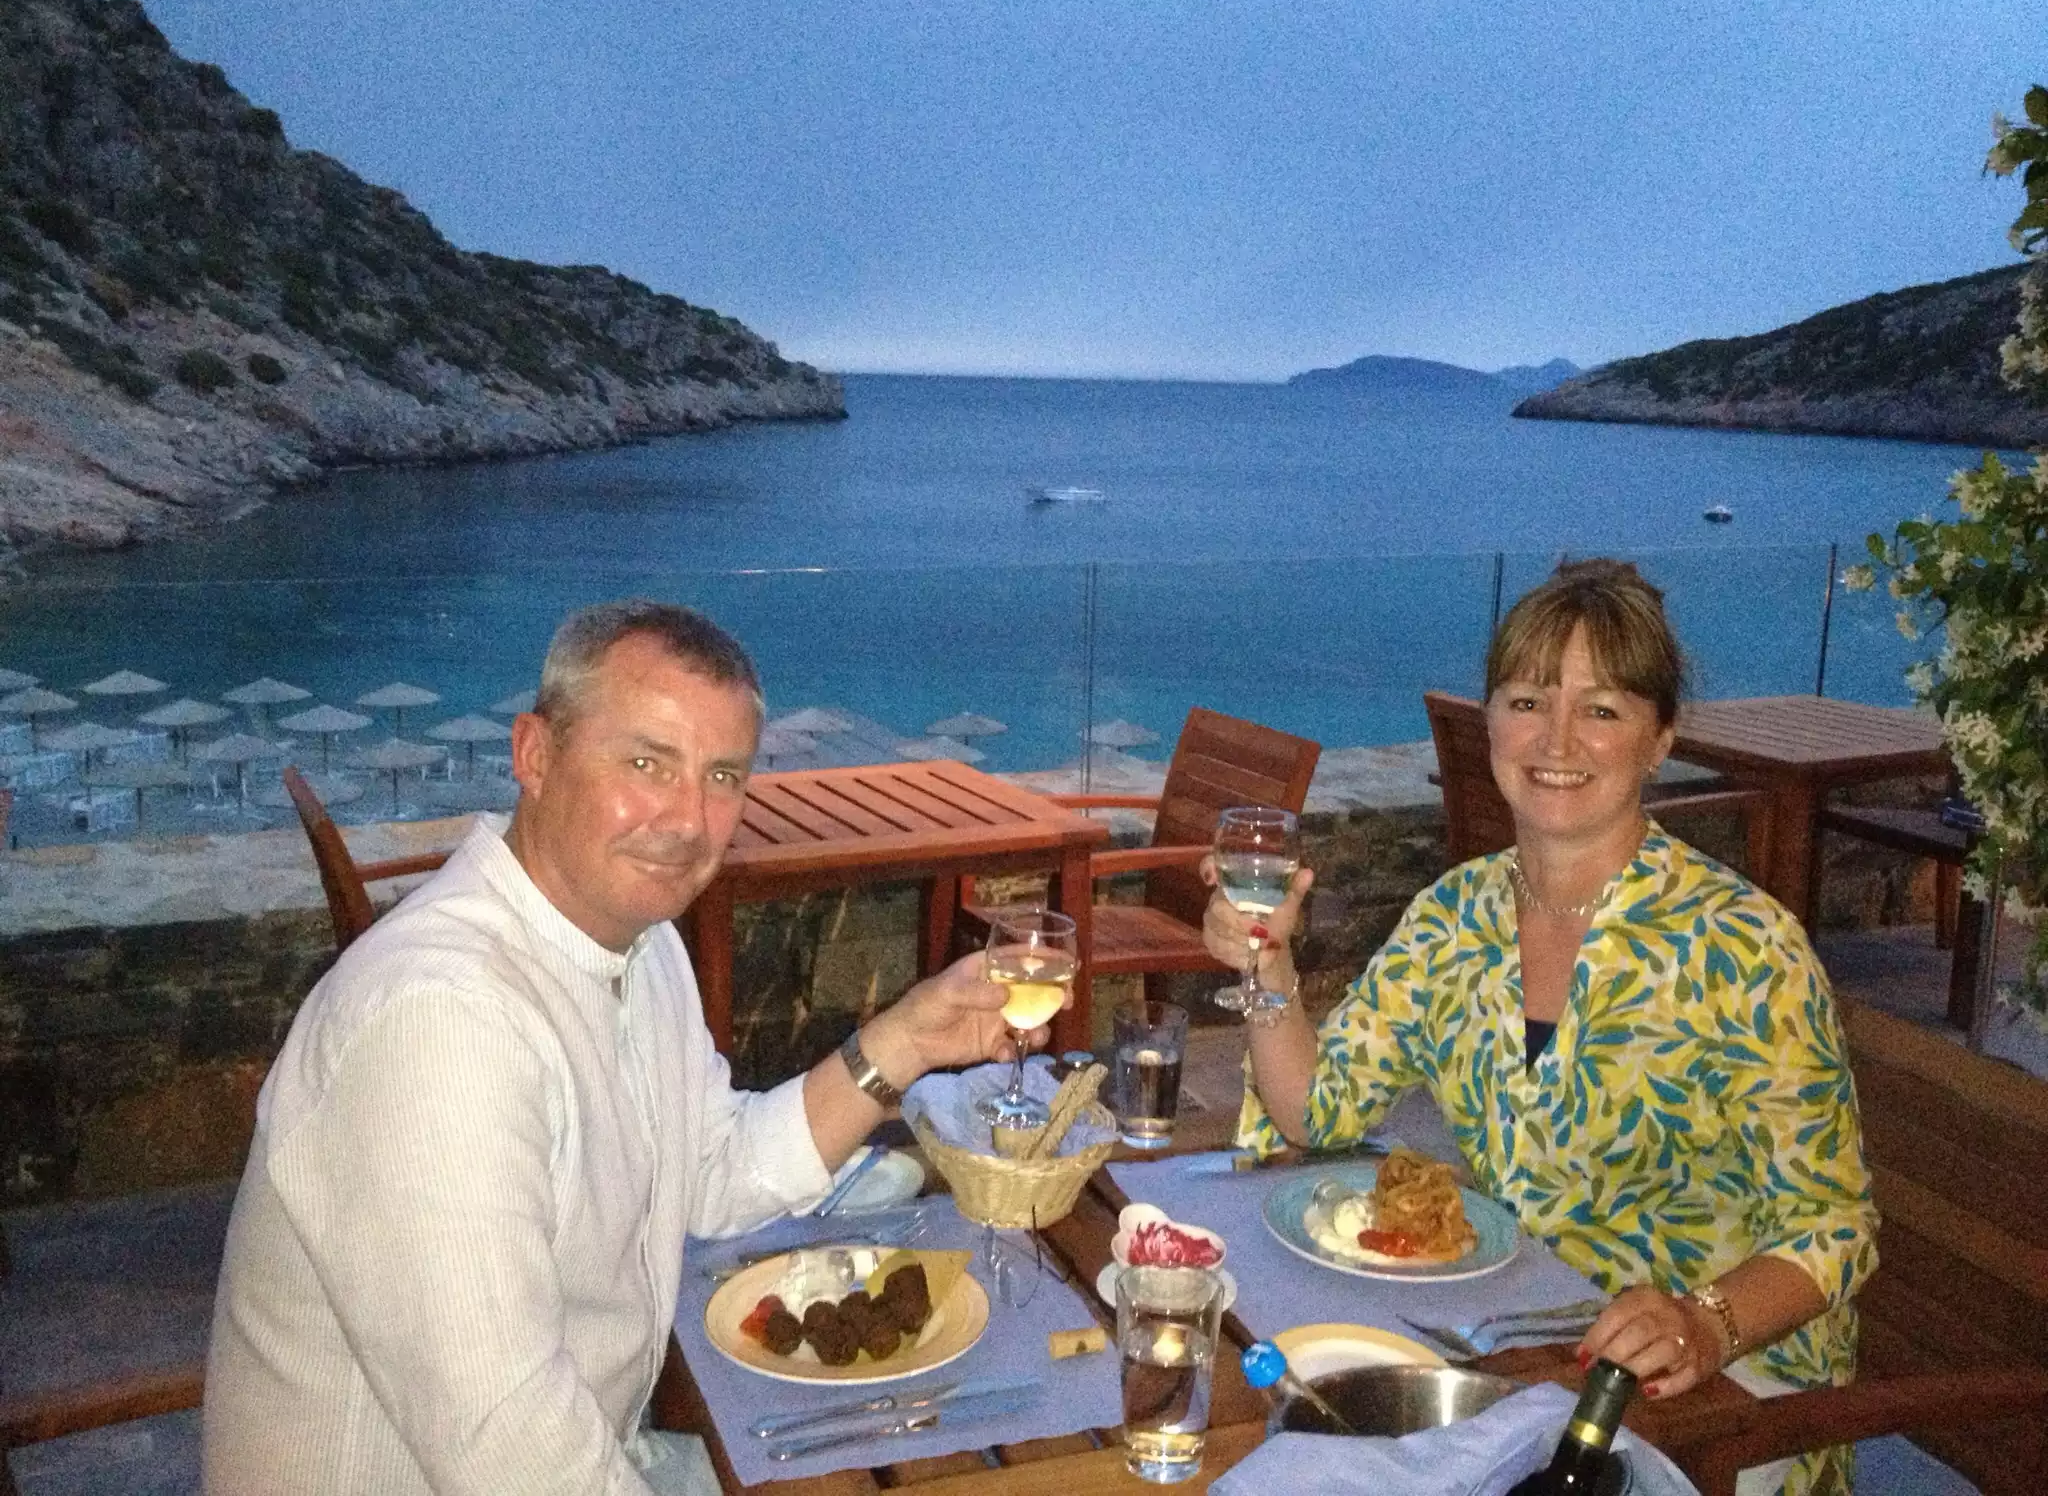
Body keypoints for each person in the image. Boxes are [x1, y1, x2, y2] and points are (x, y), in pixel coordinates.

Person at [204, 601, 1040, 1495]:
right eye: (647, 763)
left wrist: (903, 1040)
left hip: (605, 1452)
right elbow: (511, 1452)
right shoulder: (437, 1023)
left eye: (722, 777)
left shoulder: (639, 948)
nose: (688, 820)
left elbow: (714, 1171)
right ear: (536, 756)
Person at [1208, 559, 1877, 1496]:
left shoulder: (1742, 949)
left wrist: (1704, 1321)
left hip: (1718, 1399)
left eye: (1601, 709)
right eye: (1527, 701)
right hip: (1522, 1349)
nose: (1556, 739)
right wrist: (1268, 963)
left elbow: (1835, 1228)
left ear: (1660, 739)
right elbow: (1314, 1112)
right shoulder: (1455, 916)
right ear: (1488, 722)